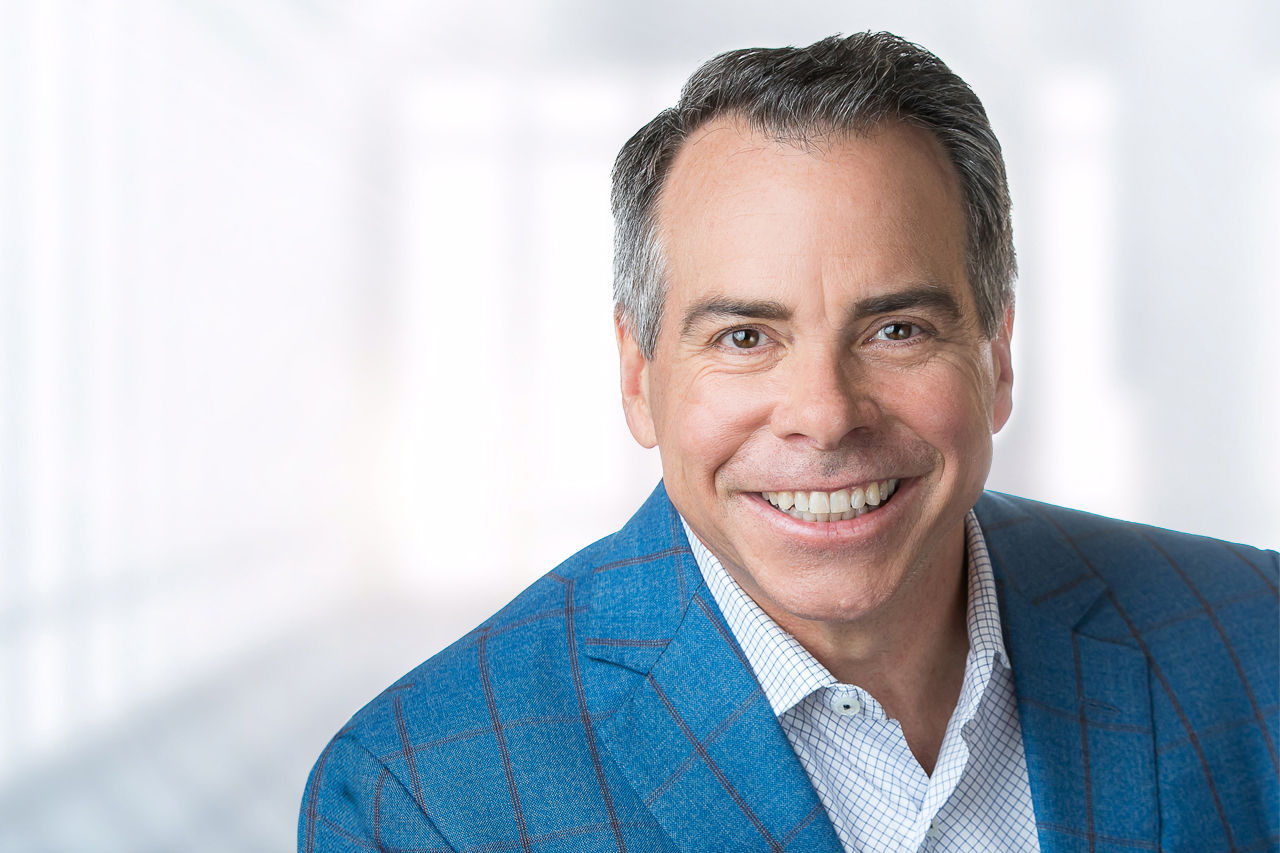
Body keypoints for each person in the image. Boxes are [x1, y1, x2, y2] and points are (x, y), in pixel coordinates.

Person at [300, 32, 1278, 853]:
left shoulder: (1254, 638)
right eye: (744, 338)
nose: (824, 413)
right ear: (639, 377)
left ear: (997, 355)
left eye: (896, 328)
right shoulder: (424, 796)